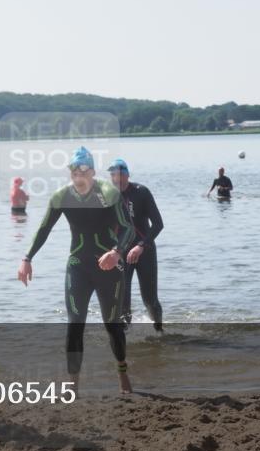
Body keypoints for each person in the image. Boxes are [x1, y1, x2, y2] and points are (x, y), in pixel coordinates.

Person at [18, 146, 135, 393]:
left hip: (109, 267)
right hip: (78, 266)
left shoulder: (108, 192)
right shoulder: (62, 196)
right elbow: (44, 229)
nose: (78, 174)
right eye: (74, 170)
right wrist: (27, 258)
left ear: (92, 172)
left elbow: (128, 228)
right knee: (74, 324)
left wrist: (116, 253)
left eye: (83, 170)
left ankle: (123, 374)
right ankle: (73, 384)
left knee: (112, 325)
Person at [108, 159, 164, 332]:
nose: (116, 179)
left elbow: (158, 224)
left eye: (119, 175)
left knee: (149, 299)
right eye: (112, 175)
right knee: (122, 299)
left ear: (126, 175)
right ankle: (126, 337)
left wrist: (141, 245)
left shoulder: (141, 192)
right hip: (121, 253)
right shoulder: (107, 197)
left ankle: (159, 331)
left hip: (144, 251)